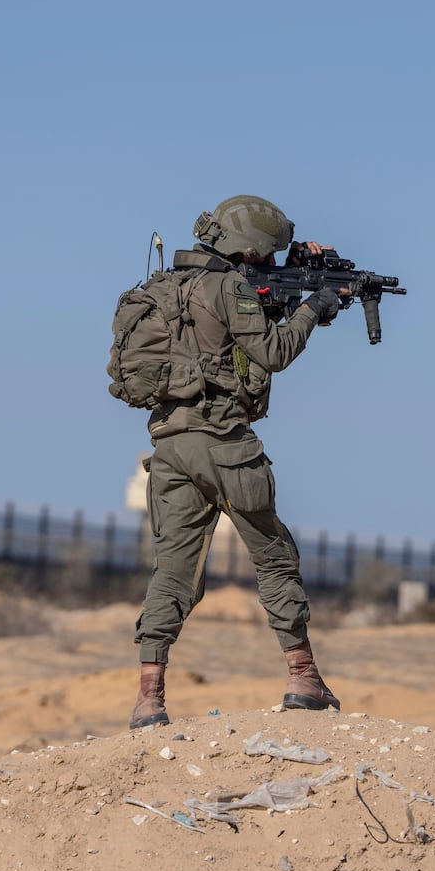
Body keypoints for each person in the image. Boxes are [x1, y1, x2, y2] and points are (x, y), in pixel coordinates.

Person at [129, 195, 347, 729]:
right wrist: (313, 308)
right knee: (274, 556)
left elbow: (216, 343)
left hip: (169, 446)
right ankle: (303, 677)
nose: (270, 266)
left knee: (174, 573)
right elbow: (270, 352)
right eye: (267, 257)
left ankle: (148, 697)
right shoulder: (230, 288)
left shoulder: (157, 289)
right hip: (225, 443)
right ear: (246, 250)